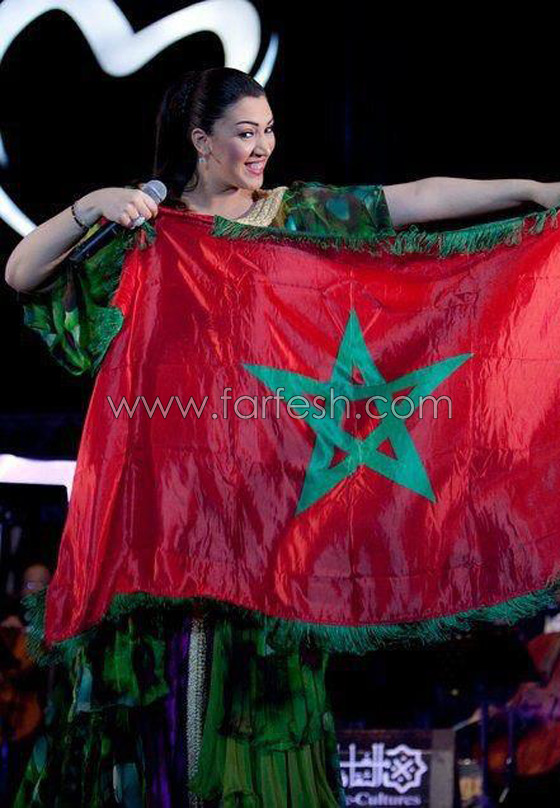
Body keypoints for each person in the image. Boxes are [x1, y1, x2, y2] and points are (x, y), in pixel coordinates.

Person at [5, 66, 560, 807]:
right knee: (146, 709)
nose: (263, 146)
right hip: (157, 507)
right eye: (246, 132)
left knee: (260, 707)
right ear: (201, 141)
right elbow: (22, 273)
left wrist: (530, 189)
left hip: (264, 518)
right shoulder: (144, 228)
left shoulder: (294, 214)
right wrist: (91, 207)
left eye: (268, 130)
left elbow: (412, 199)